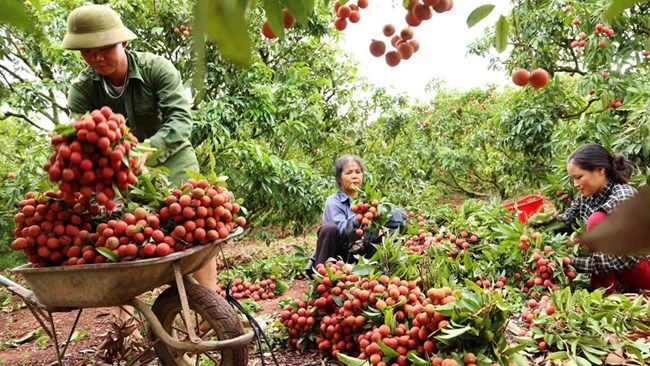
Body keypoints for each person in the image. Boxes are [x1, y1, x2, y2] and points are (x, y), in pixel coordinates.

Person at [61, 5, 217, 294]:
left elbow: (181, 121)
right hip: (119, 173)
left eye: (104, 47)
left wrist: (147, 149)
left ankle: (210, 302)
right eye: (86, 51)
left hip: (173, 159)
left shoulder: (156, 68)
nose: (96, 57)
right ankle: (125, 319)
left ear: (123, 42)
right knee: (118, 236)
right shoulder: (82, 89)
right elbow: (84, 139)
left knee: (195, 227)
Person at [539, 143, 650, 293]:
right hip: (614, 272)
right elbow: (567, 220)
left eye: (579, 177)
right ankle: (605, 290)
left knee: (596, 221)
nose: (576, 184)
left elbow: (624, 260)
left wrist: (573, 262)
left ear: (600, 170)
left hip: (640, 271)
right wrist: (540, 226)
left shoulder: (623, 196)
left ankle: (607, 292)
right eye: (573, 179)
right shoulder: (586, 197)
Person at [306, 154, 406, 276]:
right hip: (339, 255)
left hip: (363, 255)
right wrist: (359, 219)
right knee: (329, 228)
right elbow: (341, 230)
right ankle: (321, 274)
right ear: (339, 178)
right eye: (348, 173)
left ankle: (379, 272)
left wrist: (379, 211)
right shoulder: (333, 202)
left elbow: (402, 217)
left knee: (392, 232)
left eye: (358, 172)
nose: (354, 176)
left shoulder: (369, 200)